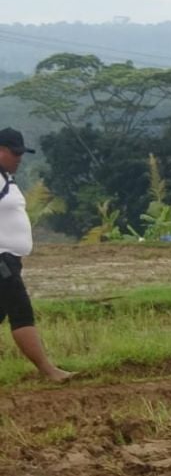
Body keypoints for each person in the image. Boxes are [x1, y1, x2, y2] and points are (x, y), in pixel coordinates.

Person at [0, 128, 74, 383]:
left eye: (21, 153)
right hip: (2, 261)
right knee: (21, 312)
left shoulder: (6, 178)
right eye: (15, 153)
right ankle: (48, 371)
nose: (19, 158)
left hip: (10, 260)